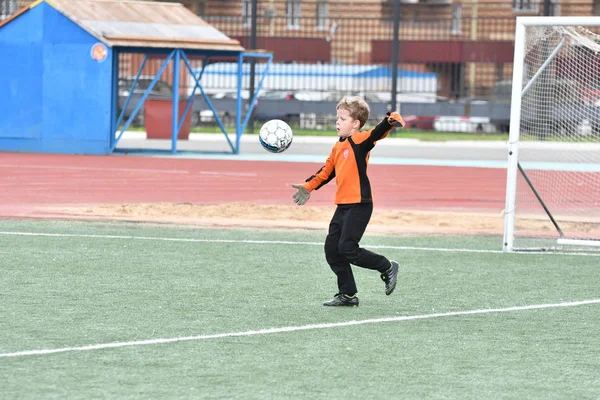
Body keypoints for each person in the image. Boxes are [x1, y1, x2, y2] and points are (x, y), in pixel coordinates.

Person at [291, 96, 405, 307]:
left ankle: (386, 266)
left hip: (360, 205)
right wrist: (307, 187)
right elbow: (326, 172)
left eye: (342, 119)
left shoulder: (360, 140)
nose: (337, 122)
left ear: (355, 124)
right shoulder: (337, 147)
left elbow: (376, 133)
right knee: (332, 250)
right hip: (343, 206)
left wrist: (390, 121)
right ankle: (348, 294)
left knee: (347, 248)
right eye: (337, 118)